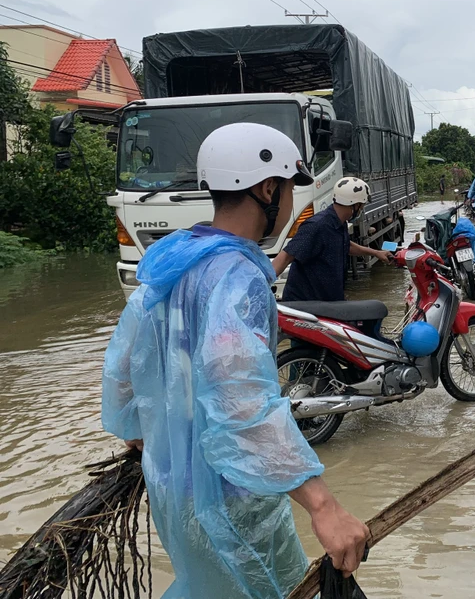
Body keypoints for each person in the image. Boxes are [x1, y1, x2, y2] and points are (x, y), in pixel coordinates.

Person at [101, 123, 369, 599]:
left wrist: (142, 434)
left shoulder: (173, 261)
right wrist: (323, 505)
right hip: (231, 497)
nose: (292, 201)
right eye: (289, 188)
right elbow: (240, 399)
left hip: (174, 487)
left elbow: (124, 366)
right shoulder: (238, 276)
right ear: (267, 189)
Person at [272, 177, 390, 302]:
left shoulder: (339, 223)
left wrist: (376, 253)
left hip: (328, 302)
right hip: (306, 305)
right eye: (361, 207)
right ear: (355, 205)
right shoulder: (316, 226)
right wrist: (262, 288)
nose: (361, 210)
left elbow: (346, 245)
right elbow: (285, 257)